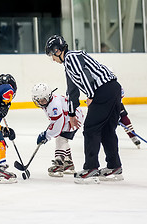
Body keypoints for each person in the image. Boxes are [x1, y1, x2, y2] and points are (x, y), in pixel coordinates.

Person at [45, 34, 124, 184]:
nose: (52, 59)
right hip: (112, 89)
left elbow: (84, 74)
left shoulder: (71, 57)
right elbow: (72, 91)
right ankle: (114, 167)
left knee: (91, 129)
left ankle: (91, 168)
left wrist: (91, 94)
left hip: (103, 90)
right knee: (107, 130)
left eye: (51, 54)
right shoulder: (69, 64)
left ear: (57, 50)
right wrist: (72, 113)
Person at [32, 83, 84, 177]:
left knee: (61, 139)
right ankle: (68, 164)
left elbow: (58, 126)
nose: (40, 102)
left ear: (48, 96)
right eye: (38, 100)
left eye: (43, 100)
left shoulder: (54, 106)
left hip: (74, 119)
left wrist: (46, 135)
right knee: (62, 138)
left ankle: (59, 164)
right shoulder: (50, 101)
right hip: (71, 117)